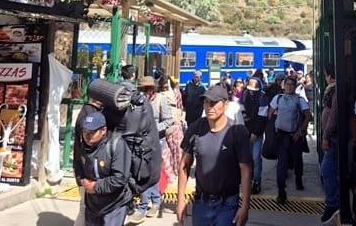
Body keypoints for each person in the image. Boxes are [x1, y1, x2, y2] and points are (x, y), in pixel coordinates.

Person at [176, 85, 252, 226]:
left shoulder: (237, 132)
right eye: (206, 102)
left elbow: (245, 169)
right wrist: (181, 200)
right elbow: (184, 166)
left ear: (225, 104)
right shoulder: (195, 128)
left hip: (227, 204)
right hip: (201, 203)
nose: (209, 107)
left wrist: (245, 206)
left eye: (214, 102)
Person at [126, 76, 173, 224]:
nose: (144, 92)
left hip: (157, 141)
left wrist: (153, 128)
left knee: (148, 172)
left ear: (153, 89)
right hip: (141, 142)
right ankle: (155, 201)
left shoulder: (160, 100)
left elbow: (169, 120)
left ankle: (143, 207)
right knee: (146, 172)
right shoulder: (138, 102)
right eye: (142, 89)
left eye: (147, 89)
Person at [74, 112, 133, 226]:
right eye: (85, 131)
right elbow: (78, 166)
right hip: (92, 205)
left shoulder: (116, 145)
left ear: (103, 130)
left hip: (114, 204)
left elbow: (119, 178)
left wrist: (95, 187)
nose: (87, 136)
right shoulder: (83, 146)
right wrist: (81, 180)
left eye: (92, 132)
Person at [268, 75, 312, 204]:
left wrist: (300, 132)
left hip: (294, 136)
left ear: (295, 86)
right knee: (281, 164)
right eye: (287, 84)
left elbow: (308, 116)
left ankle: (298, 178)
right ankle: (281, 191)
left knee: (297, 160)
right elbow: (270, 114)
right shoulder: (278, 98)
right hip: (281, 136)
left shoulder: (300, 100)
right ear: (283, 86)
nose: (289, 86)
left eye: (291, 84)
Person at [73, 97, 104, 226]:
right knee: (85, 207)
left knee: (86, 207)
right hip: (86, 171)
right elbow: (86, 146)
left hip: (83, 168)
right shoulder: (90, 114)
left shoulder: (88, 111)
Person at [240, 76, 268, 195]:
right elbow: (240, 110)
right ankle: (248, 178)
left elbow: (262, 118)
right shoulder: (244, 95)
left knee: (256, 157)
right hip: (245, 130)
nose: (251, 91)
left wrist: (255, 133)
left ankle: (257, 182)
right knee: (247, 157)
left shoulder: (263, 98)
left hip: (256, 132)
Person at [320, 65, 339, 223]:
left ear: (330, 76)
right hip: (332, 137)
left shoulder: (336, 91)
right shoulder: (332, 90)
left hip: (333, 138)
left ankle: (333, 203)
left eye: (326, 75)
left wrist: (326, 136)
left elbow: (333, 116)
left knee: (326, 170)